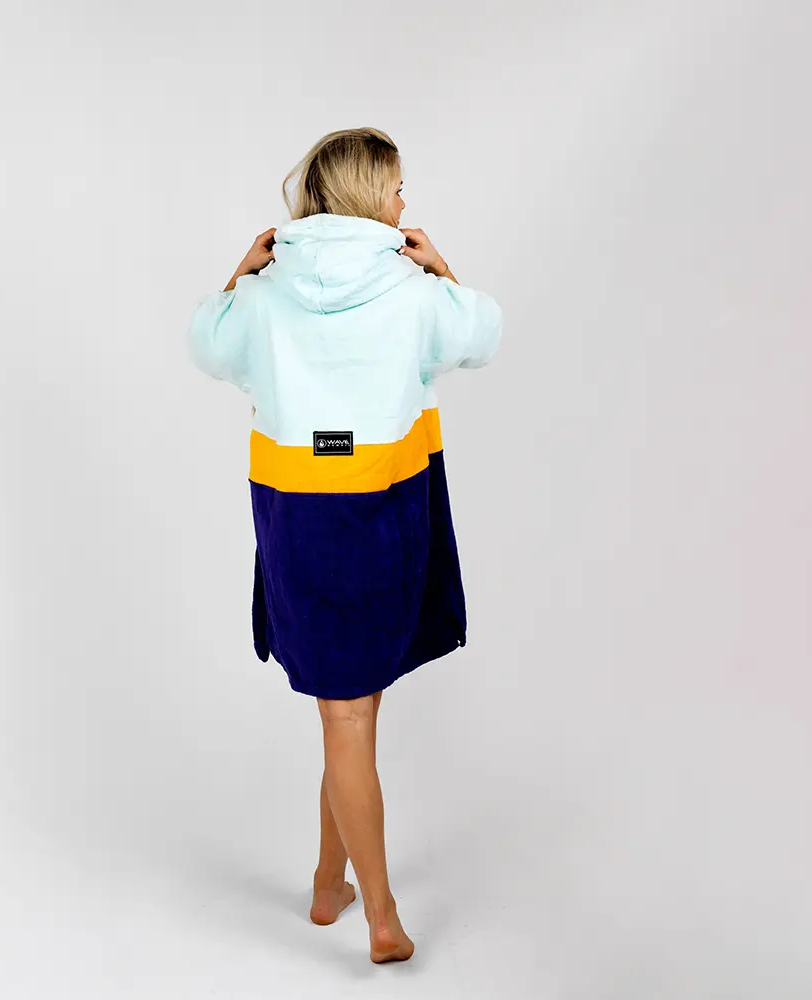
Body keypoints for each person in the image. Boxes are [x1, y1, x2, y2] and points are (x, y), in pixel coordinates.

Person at [186, 127, 502, 963]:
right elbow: (479, 336)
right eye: (396, 187)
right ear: (370, 194)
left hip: (298, 515)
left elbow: (207, 345)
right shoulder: (410, 287)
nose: (404, 202)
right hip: (387, 512)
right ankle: (383, 919)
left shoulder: (265, 294)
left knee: (348, 708)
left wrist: (240, 272)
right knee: (352, 711)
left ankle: (331, 881)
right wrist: (443, 267)